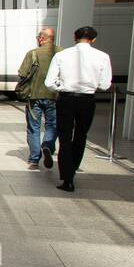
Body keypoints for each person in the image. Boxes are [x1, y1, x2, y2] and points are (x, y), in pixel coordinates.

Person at [45, 25, 113, 192]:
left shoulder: (61, 55)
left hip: (66, 99)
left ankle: (67, 178)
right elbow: (105, 85)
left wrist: (62, 88)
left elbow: (49, 83)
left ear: (74, 37)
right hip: (87, 100)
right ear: (94, 39)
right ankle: (73, 170)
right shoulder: (103, 57)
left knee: (65, 137)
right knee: (81, 136)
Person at [17, 27, 59, 170]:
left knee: (34, 127)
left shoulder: (33, 53)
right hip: (54, 96)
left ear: (41, 39)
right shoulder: (61, 53)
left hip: (33, 96)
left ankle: (34, 158)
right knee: (52, 125)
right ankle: (47, 145)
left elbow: (22, 73)